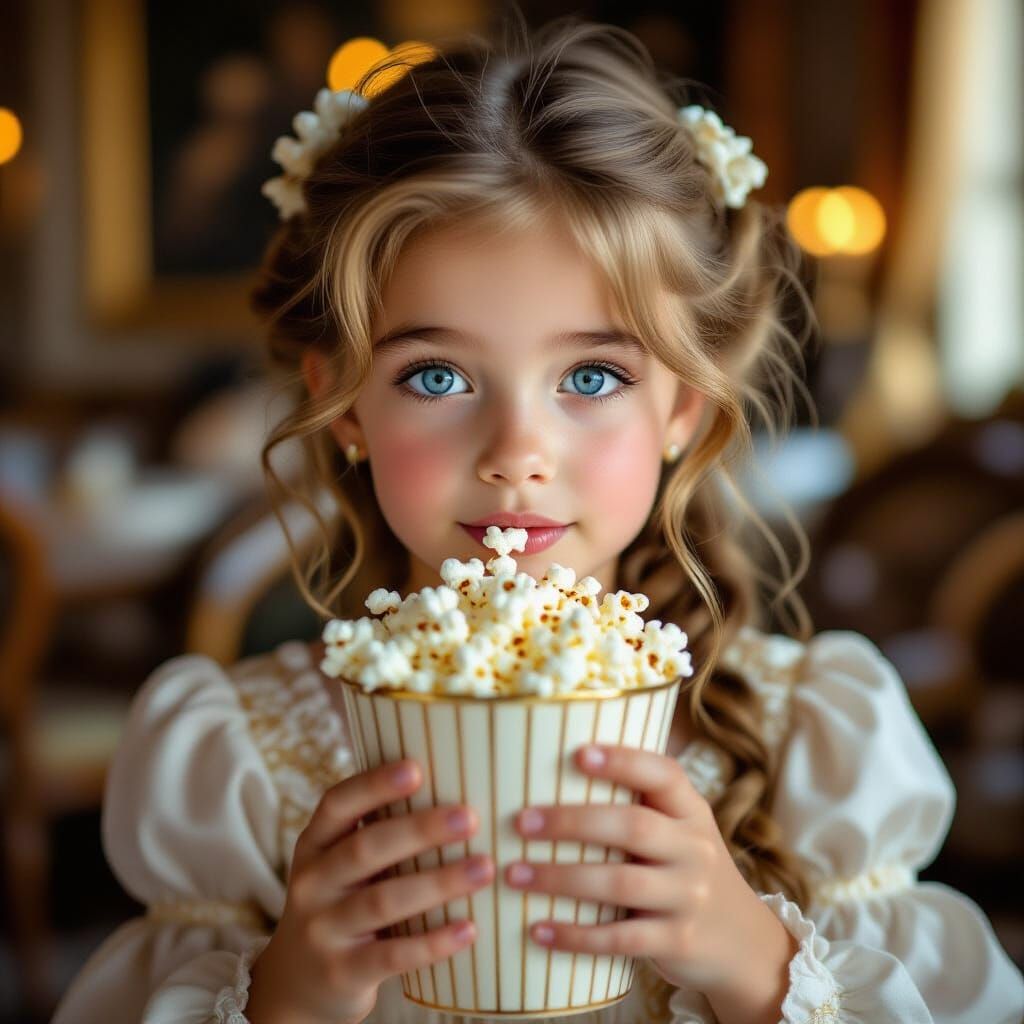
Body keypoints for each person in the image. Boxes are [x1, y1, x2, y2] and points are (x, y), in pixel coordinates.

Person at [53, 13, 1024, 1024]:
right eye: (435, 375)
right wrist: (289, 996)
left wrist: (758, 961)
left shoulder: (815, 751)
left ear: (680, 410)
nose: (516, 448)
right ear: (344, 406)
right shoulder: (237, 770)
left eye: (591, 375)